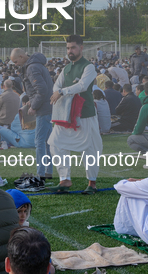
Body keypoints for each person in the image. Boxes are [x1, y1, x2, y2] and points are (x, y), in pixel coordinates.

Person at [47, 35, 102, 194]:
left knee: (90, 149)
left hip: (85, 114)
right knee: (55, 143)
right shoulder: (66, 68)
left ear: (81, 48)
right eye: (68, 48)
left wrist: (63, 91)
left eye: (73, 47)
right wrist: (61, 92)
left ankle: (92, 183)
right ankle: (65, 179)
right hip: (66, 115)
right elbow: (56, 87)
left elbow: (83, 86)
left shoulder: (89, 67)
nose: (70, 51)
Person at [10, 48, 53, 183]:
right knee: (47, 142)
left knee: (39, 142)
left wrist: (34, 106)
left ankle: (41, 174)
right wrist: (32, 100)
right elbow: (40, 90)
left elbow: (42, 90)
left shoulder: (31, 68)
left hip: (43, 108)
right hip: (46, 106)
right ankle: (47, 172)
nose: (16, 64)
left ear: (22, 56)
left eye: (16, 61)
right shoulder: (36, 65)